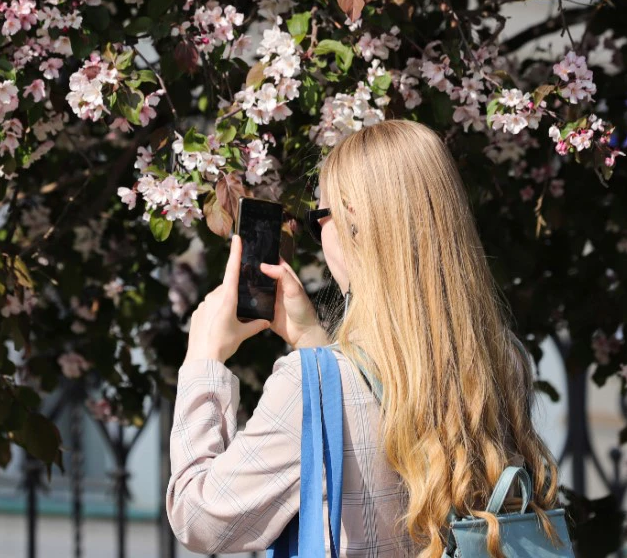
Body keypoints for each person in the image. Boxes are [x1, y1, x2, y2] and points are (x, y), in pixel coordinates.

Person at [165, 119, 561, 557]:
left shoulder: (307, 385)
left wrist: (203, 360)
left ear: (354, 223)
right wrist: (310, 339)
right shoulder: (501, 359)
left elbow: (200, 520)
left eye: (321, 218)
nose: (321, 236)